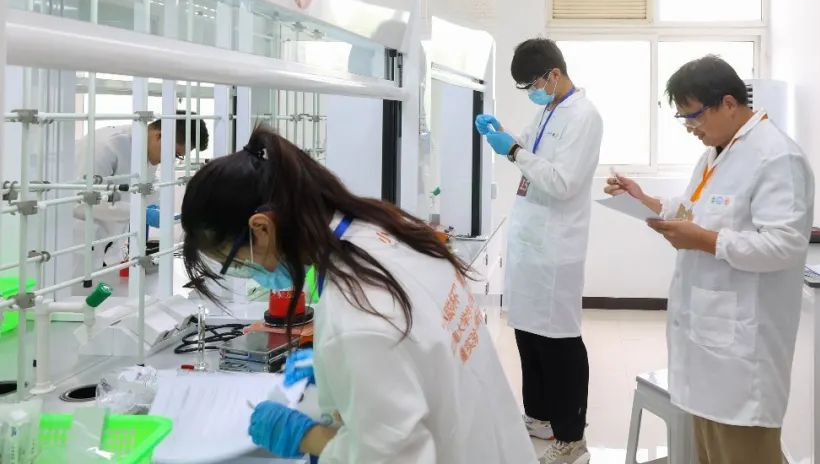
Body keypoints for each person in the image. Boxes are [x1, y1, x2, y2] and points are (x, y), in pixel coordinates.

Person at [180, 127, 536, 464]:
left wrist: (304, 436)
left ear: (261, 228)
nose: (246, 272)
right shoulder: (379, 227)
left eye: (235, 262)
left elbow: (393, 460)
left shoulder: (357, 314)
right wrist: (338, 371)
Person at [604, 56, 814, 464]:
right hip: (708, 344)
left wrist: (705, 241)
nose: (690, 127)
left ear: (729, 103)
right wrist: (644, 199)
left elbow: (785, 246)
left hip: (744, 352)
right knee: (711, 449)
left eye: (694, 115)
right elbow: (694, 209)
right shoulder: (717, 152)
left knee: (743, 451)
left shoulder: (776, 157)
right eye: (683, 118)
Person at [475, 38, 603, 464]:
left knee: (559, 343)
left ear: (553, 74)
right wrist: (504, 135)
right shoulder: (548, 110)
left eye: (532, 83)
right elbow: (530, 152)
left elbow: (563, 182)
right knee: (528, 336)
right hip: (531, 242)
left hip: (556, 248)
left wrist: (512, 151)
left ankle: (572, 438)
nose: (531, 91)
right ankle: (541, 418)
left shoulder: (584, 116)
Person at [73, 112, 209, 265]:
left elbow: (147, 188)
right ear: (159, 136)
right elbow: (82, 200)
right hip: (76, 245)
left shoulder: (147, 150)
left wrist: (163, 211)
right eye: (175, 154)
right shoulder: (104, 146)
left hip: (109, 246)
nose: (171, 160)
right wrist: (141, 212)